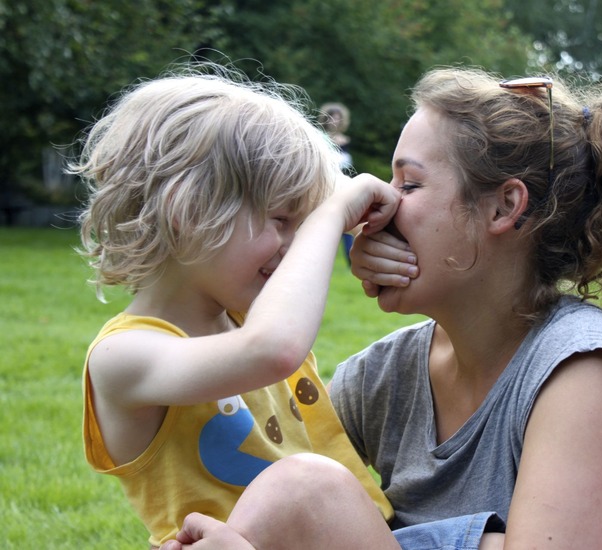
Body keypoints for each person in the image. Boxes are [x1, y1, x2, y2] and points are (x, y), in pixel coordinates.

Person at [161, 66, 602, 549]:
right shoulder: (382, 377)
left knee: (309, 488)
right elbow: (266, 506)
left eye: (408, 184)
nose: (379, 210)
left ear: (504, 206)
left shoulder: (582, 369)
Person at [69, 64, 400, 548]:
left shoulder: (245, 321)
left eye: (303, 224)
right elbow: (273, 349)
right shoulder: (125, 357)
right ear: (189, 210)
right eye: (283, 219)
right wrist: (331, 216)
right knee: (305, 481)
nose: (297, 244)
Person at [319, 102, 357, 264]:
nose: (334, 121)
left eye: (337, 118)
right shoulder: (321, 139)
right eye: (331, 118)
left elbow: (348, 165)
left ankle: (350, 257)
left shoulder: (345, 141)